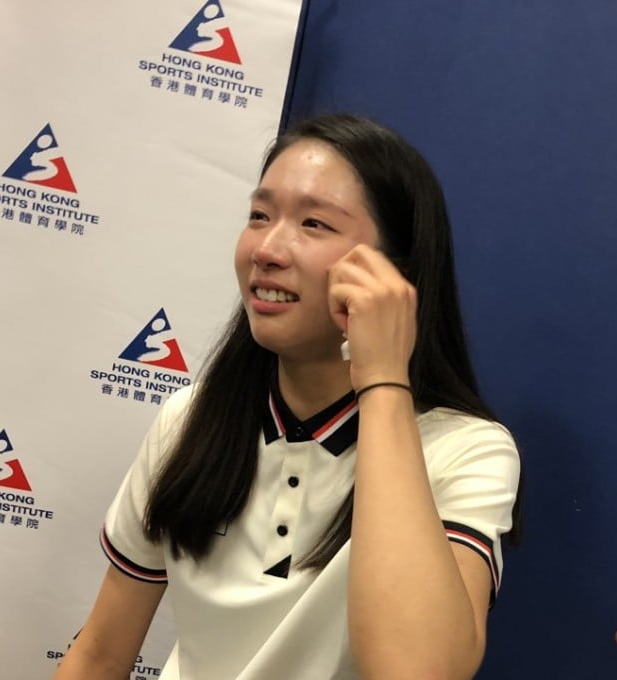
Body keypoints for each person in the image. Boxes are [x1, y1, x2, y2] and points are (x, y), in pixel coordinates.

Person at [54, 113, 522, 680]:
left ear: (394, 272)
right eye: (259, 215)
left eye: (314, 223)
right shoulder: (189, 420)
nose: (268, 249)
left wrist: (382, 378)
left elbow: (417, 671)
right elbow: (101, 653)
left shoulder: (468, 451)